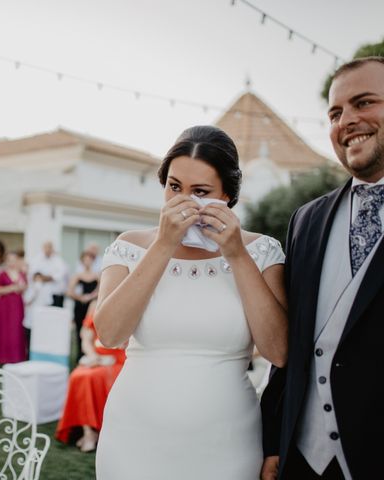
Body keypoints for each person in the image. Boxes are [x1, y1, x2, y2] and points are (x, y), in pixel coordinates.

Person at [93, 125, 288, 479]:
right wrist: (162, 246)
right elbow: (108, 334)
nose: (183, 201)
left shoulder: (261, 252)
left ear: (227, 194)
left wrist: (237, 254)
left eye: (200, 191)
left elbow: (278, 350)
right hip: (133, 437)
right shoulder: (130, 246)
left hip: (228, 441)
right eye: (174, 187)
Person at [260, 57, 384, 480]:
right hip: (303, 458)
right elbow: (292, 344)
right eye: (335, 113)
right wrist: (273, 438)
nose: (346, 120)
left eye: (363, 102)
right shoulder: (306, 220)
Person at [55, 300, 126, 453]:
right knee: (78, 376)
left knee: (95, 377)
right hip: (96, 357)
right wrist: (93, 356)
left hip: (118, 359)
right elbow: (86, 339)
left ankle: (99, 431)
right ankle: (88, 432)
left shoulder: (128, 301)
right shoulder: (95, 304)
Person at [0, 251, 28, 364]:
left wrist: (20, 287)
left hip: (17, 304)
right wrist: (11, 288)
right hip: (4, 305)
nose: (12, 262)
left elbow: (24, 288)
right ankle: (1, 357)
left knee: (16, 329)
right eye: (9, 260)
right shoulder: (2, 274)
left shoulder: (22, 273)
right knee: (3, 329)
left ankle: (16, 357)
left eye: (14, 260)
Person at [67, 251, 99, 361]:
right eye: (85, 259)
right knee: (79, 331)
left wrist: (91, 296)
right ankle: (79, 357)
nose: (88, 262)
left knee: (91, 332)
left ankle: (91, 355)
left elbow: (101, 289)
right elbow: (70, 291)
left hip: (92, 307)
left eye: (90, 259)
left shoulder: (96, 275)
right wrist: (81, 298)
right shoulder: (78, 276)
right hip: (80, 306)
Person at [28, 241, 68, 307]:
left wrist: (44, 278)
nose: (47, 249)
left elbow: (59, 275)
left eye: (49, 247)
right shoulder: (36, 259)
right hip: (40, 294)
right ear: (42, 248)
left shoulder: (58, 260)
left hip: (55, 293)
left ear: (52, 248)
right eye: (46, 247)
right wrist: (45, 277)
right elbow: (33, 274)